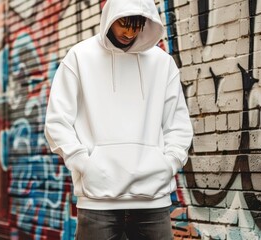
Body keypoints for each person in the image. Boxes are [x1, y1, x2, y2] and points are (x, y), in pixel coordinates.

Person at [44, 0, 193, 239]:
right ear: (111, 16)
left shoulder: (162, 63)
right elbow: (57, 122)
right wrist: (84, 164)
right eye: (124, 23)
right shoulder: (79, 57)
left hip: (153, 201)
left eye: (137, 25)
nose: (129, 32)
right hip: (97, 203)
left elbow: (178, 125)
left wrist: (169, 164)